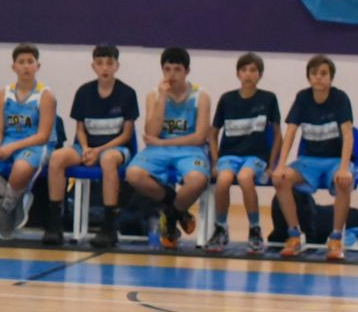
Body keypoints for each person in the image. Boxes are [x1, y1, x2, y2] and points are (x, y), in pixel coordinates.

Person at [42, 44, 138, 248]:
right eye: (100, 63)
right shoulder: (84, 92)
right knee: (57, 157)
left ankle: (109, 225)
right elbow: (80, 128)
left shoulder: (127, 93)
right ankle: (54, 222)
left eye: (109, 63)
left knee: (108, 160)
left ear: (117, 66)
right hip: (87, 147)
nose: (105, 68)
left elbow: (127, 134)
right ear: (93, 66)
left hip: (116, 149)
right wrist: (85, 148)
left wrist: (99, 150)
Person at [0, 44, 58, 241]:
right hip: (9, 141)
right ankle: (16, 199)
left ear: (38, 66)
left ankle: (7, 207)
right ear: (13, 67)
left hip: (37, 145)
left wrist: (12, 147)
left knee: (20, 168)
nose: (26, 66)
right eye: (21, 62)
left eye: (30, 62)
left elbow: (43, 135)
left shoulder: (45, 95)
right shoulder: (5, 93)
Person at [125, 46, 212, 251]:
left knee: (197, 180)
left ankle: (170, 216)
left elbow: (200, 136)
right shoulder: (154, 95)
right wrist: (163, 99)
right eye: (167, 69)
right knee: (134, 174)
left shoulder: (201, 96)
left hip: (189, 148)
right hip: (158, 150)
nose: (171, 75)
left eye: (177, 69)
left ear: (186, 71)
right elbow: (151, 132)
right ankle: (177, 209)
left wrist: (164, 142)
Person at [271, 55, 355, 261]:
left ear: (331, 78)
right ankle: (294, 235)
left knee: (344, 182)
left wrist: (344, 168)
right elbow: (290, 133)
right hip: (309, 161)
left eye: (323, 74)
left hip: (334, 161)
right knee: (280, 179)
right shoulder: (302, 98)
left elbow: (348, 136)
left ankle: (335, 239)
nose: (319, 78)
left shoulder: (340, 99)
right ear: (309, 77)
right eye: (314, 74)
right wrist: (280, 165)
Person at [207, 52, 282, 255]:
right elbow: (212, 133)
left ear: (260, 74)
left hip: (255, 157)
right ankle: (221, 228)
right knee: (223, 180)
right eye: (244, 70)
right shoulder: (227, 99)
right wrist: (215, 161)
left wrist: (272, 163)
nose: (248, 74)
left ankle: (255, 229)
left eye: (253, 70)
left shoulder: (268, 99)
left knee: (245, 177)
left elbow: (277, 134)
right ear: (238, 74)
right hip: (228, 155)